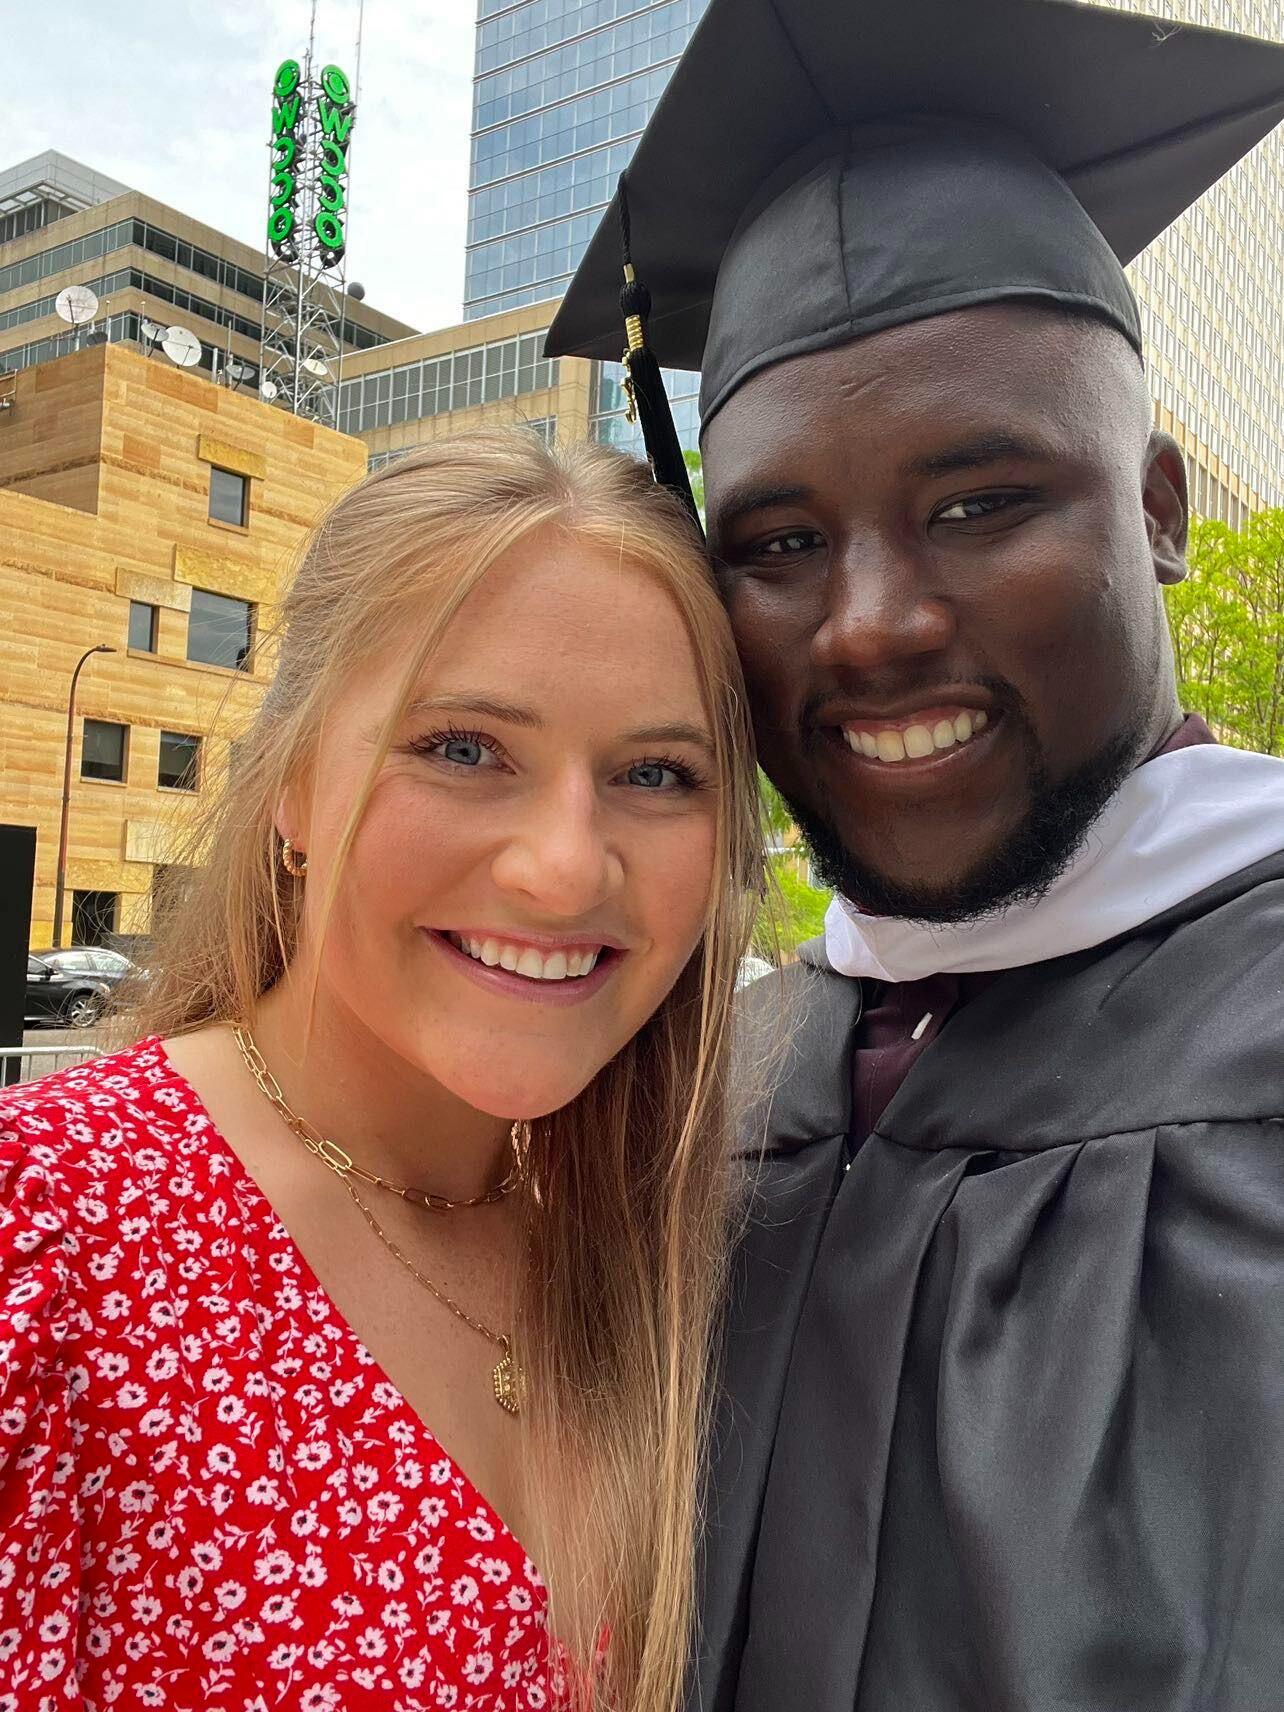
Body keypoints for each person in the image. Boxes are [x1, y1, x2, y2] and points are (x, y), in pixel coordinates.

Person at [548, 0, 1284, 1707]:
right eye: (780, 542)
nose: (867, 627)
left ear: (1160, 509)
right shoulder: (714, 1080)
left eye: (978, 503)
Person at [0, 431, 761, 1712]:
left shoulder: (659, 1252)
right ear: (292, 776)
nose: (564, 869)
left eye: (655, 774)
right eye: (463, 747)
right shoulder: (49, 1235)